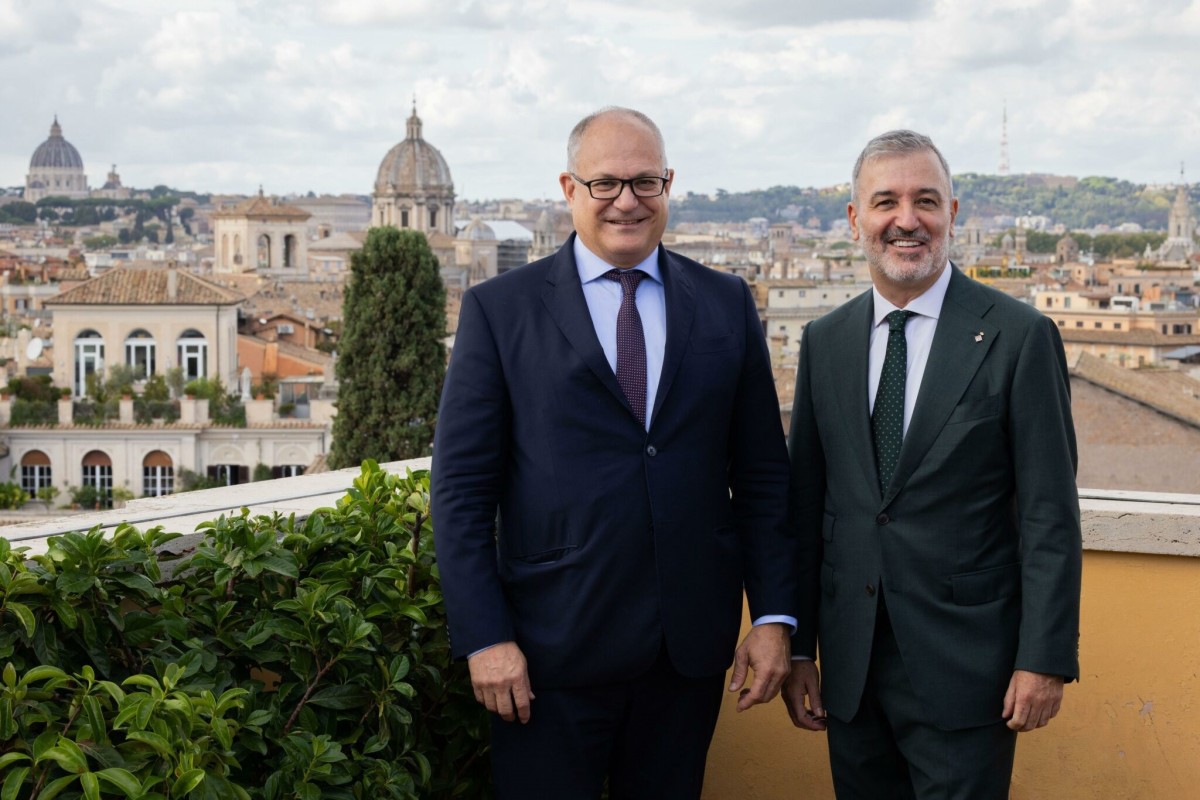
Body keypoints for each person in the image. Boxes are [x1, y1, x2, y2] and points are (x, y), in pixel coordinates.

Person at [432, 107, 810, 799]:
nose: (627, 201)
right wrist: (484, 637)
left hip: (687, 656)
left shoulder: (726, 303)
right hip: (546, 654)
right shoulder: (500, 310)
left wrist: (776, 618)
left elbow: (760, 477)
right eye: (605, 183)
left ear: (669, 185)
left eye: (645, 182)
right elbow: (459, 493)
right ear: (568, 189)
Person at [782, 129, 1082, 799]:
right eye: (885, 201)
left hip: (969, 669)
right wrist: (800, 650)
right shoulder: (825, 341)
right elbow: (804, 509)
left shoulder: (1018, 336)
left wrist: (1044, 659)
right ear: (856, 219)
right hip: (851, 667)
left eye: (926, 200)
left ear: (953, 212)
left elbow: (1048, 515)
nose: (906, 219)